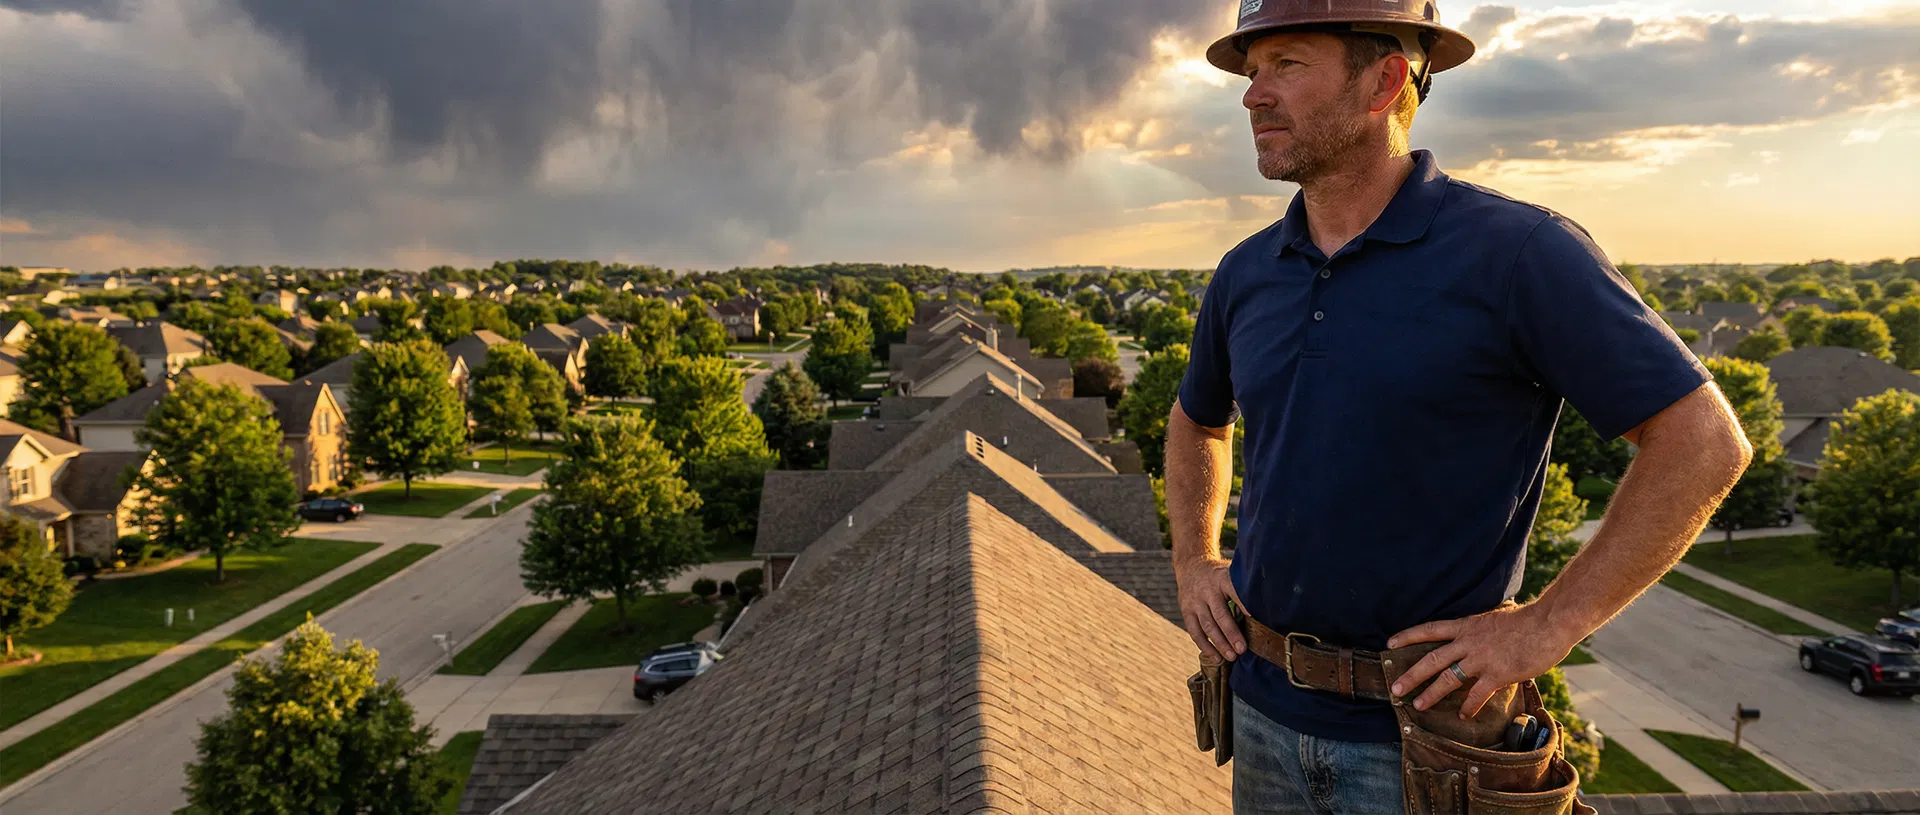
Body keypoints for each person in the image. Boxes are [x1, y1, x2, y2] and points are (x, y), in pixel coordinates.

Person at [1166, 1, 1754, 812]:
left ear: (1385, 82)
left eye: (1288, 66)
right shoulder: (1247, 271)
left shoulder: (1518, 255)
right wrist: (1194, 559)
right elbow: (1198, 419)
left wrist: (1549, 625)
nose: (1252, 96)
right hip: (1263, 715)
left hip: (1432, 749)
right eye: (1252, 71)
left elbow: (1703, 441)